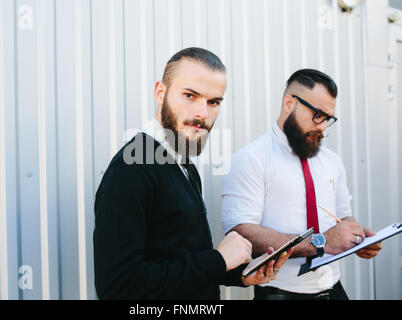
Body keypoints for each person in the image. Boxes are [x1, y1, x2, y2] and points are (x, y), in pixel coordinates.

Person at [93, 47, 292, 300]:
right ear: (160, 93)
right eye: (190, 95)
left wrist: (238, 273)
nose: (202, 113)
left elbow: (181, 257)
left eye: (213, 102)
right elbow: (118, 287)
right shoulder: (131, 168)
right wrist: (218, 260)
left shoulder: (184, 164)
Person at [221, 69, 382, 300]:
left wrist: (357, 238)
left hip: (334, 290)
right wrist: (322, 242)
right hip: (281, 294)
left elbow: (344, 216)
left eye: (328, 118)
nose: (323, 127)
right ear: (289, 103)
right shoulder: (250, 159)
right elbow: (240, 232)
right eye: (318, 115)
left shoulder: (332, 161)